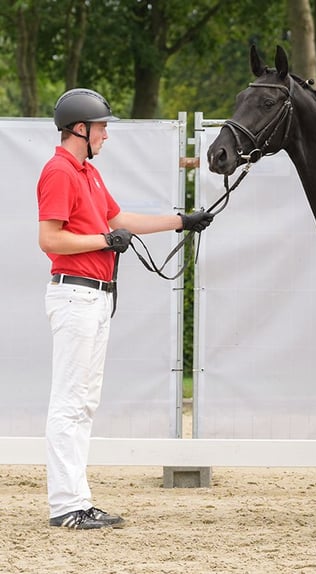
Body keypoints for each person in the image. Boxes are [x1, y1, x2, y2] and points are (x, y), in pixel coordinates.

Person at [37, 88, 214, 529]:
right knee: (69, 403)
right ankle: (66, 505)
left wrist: (182, 221)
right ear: (80, 129)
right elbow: (50, 239)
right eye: (101, 128)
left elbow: (119, 221)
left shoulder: (88, 175)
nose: (105, 136)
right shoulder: (60, 172)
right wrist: (102, 242)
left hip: (96, 297)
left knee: (84, 402)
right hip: (76, 294)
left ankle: (77, 499)